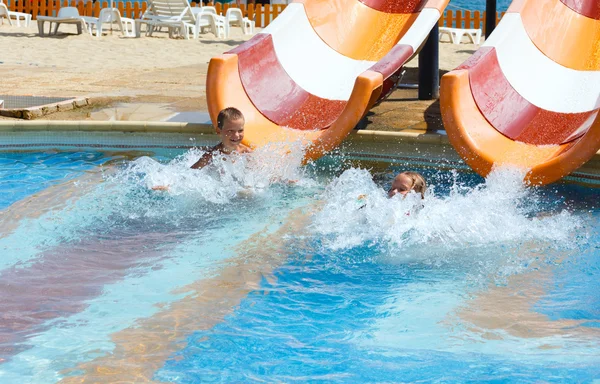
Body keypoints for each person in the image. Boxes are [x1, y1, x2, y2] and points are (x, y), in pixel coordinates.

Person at [151, 107, 252, 191]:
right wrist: (170, 187)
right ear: (219, 131)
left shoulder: (247, 153)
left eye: (240, 130)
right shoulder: (212, 155)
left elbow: (258, 176)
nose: (236, 135)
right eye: (230, 131)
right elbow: (190, 174)